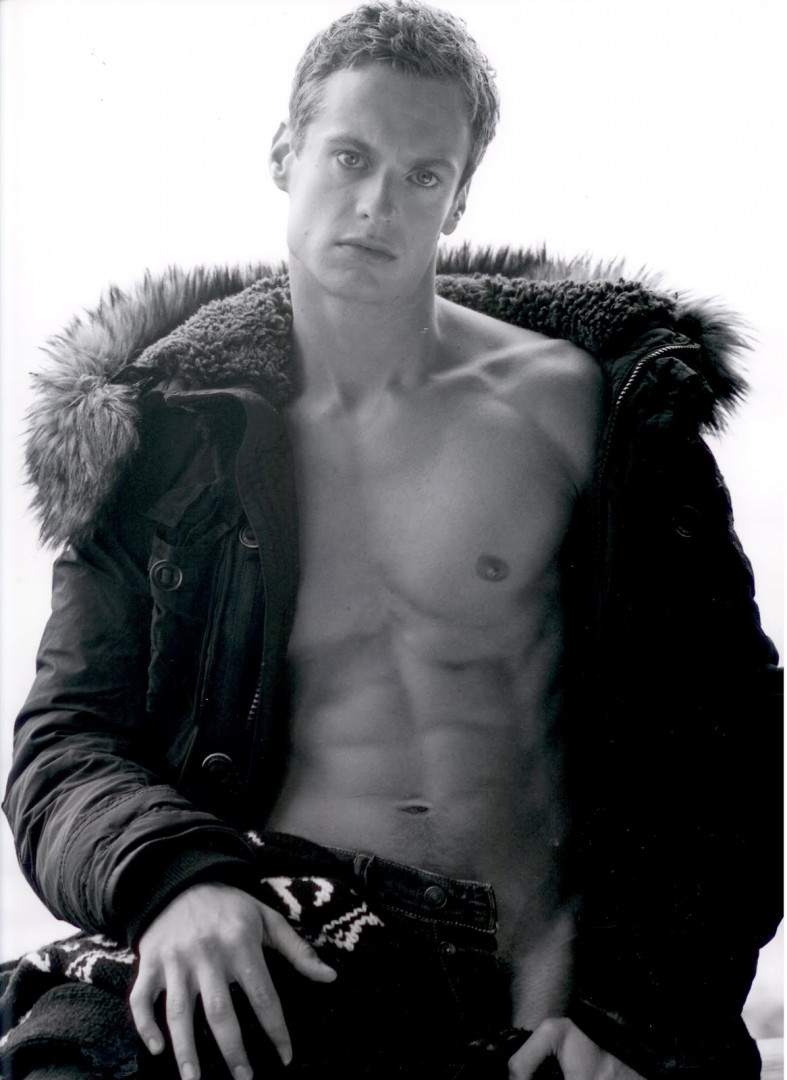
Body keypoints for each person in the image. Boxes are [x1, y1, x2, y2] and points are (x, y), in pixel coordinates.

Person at [1, 2, 781, 1078]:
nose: (377, 205)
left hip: (542, 985)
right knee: (65, 1058)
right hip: (290, 934)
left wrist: (631, 1010)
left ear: (459, 198)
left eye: (422, 175)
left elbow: (728, 732)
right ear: (285, 154)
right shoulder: (173, 445)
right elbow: (65, 741)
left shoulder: (578, 409)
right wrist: (173, 879)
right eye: (349, 157)